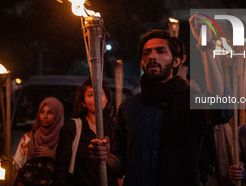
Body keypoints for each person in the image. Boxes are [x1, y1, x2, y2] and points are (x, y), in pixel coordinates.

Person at [90, 25, 232, 186]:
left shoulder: (191, 101)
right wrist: (107, 157)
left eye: (161, 51)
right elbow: (121, 165)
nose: (152, 56)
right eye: (147, 52)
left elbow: (222, 111)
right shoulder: (129, 107)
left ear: (176, 61)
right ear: (142, 63)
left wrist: (206, 49)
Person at [53, 78, 119, 186]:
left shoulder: (114, 128)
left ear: (107, 99)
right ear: (83, 102)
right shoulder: (72, 128)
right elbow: (61, 169)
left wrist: (108, 157)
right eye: (90, 95)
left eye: (100, 94)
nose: (96, 98)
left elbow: (121, 167)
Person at [13, 97, 64, 185]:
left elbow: (68, 169)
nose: (45, 116)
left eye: (50, 112)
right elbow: (17, 164)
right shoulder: (28, 138)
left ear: (58, 115)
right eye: (42, 112)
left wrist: (53, 155)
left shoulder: (64, 140)